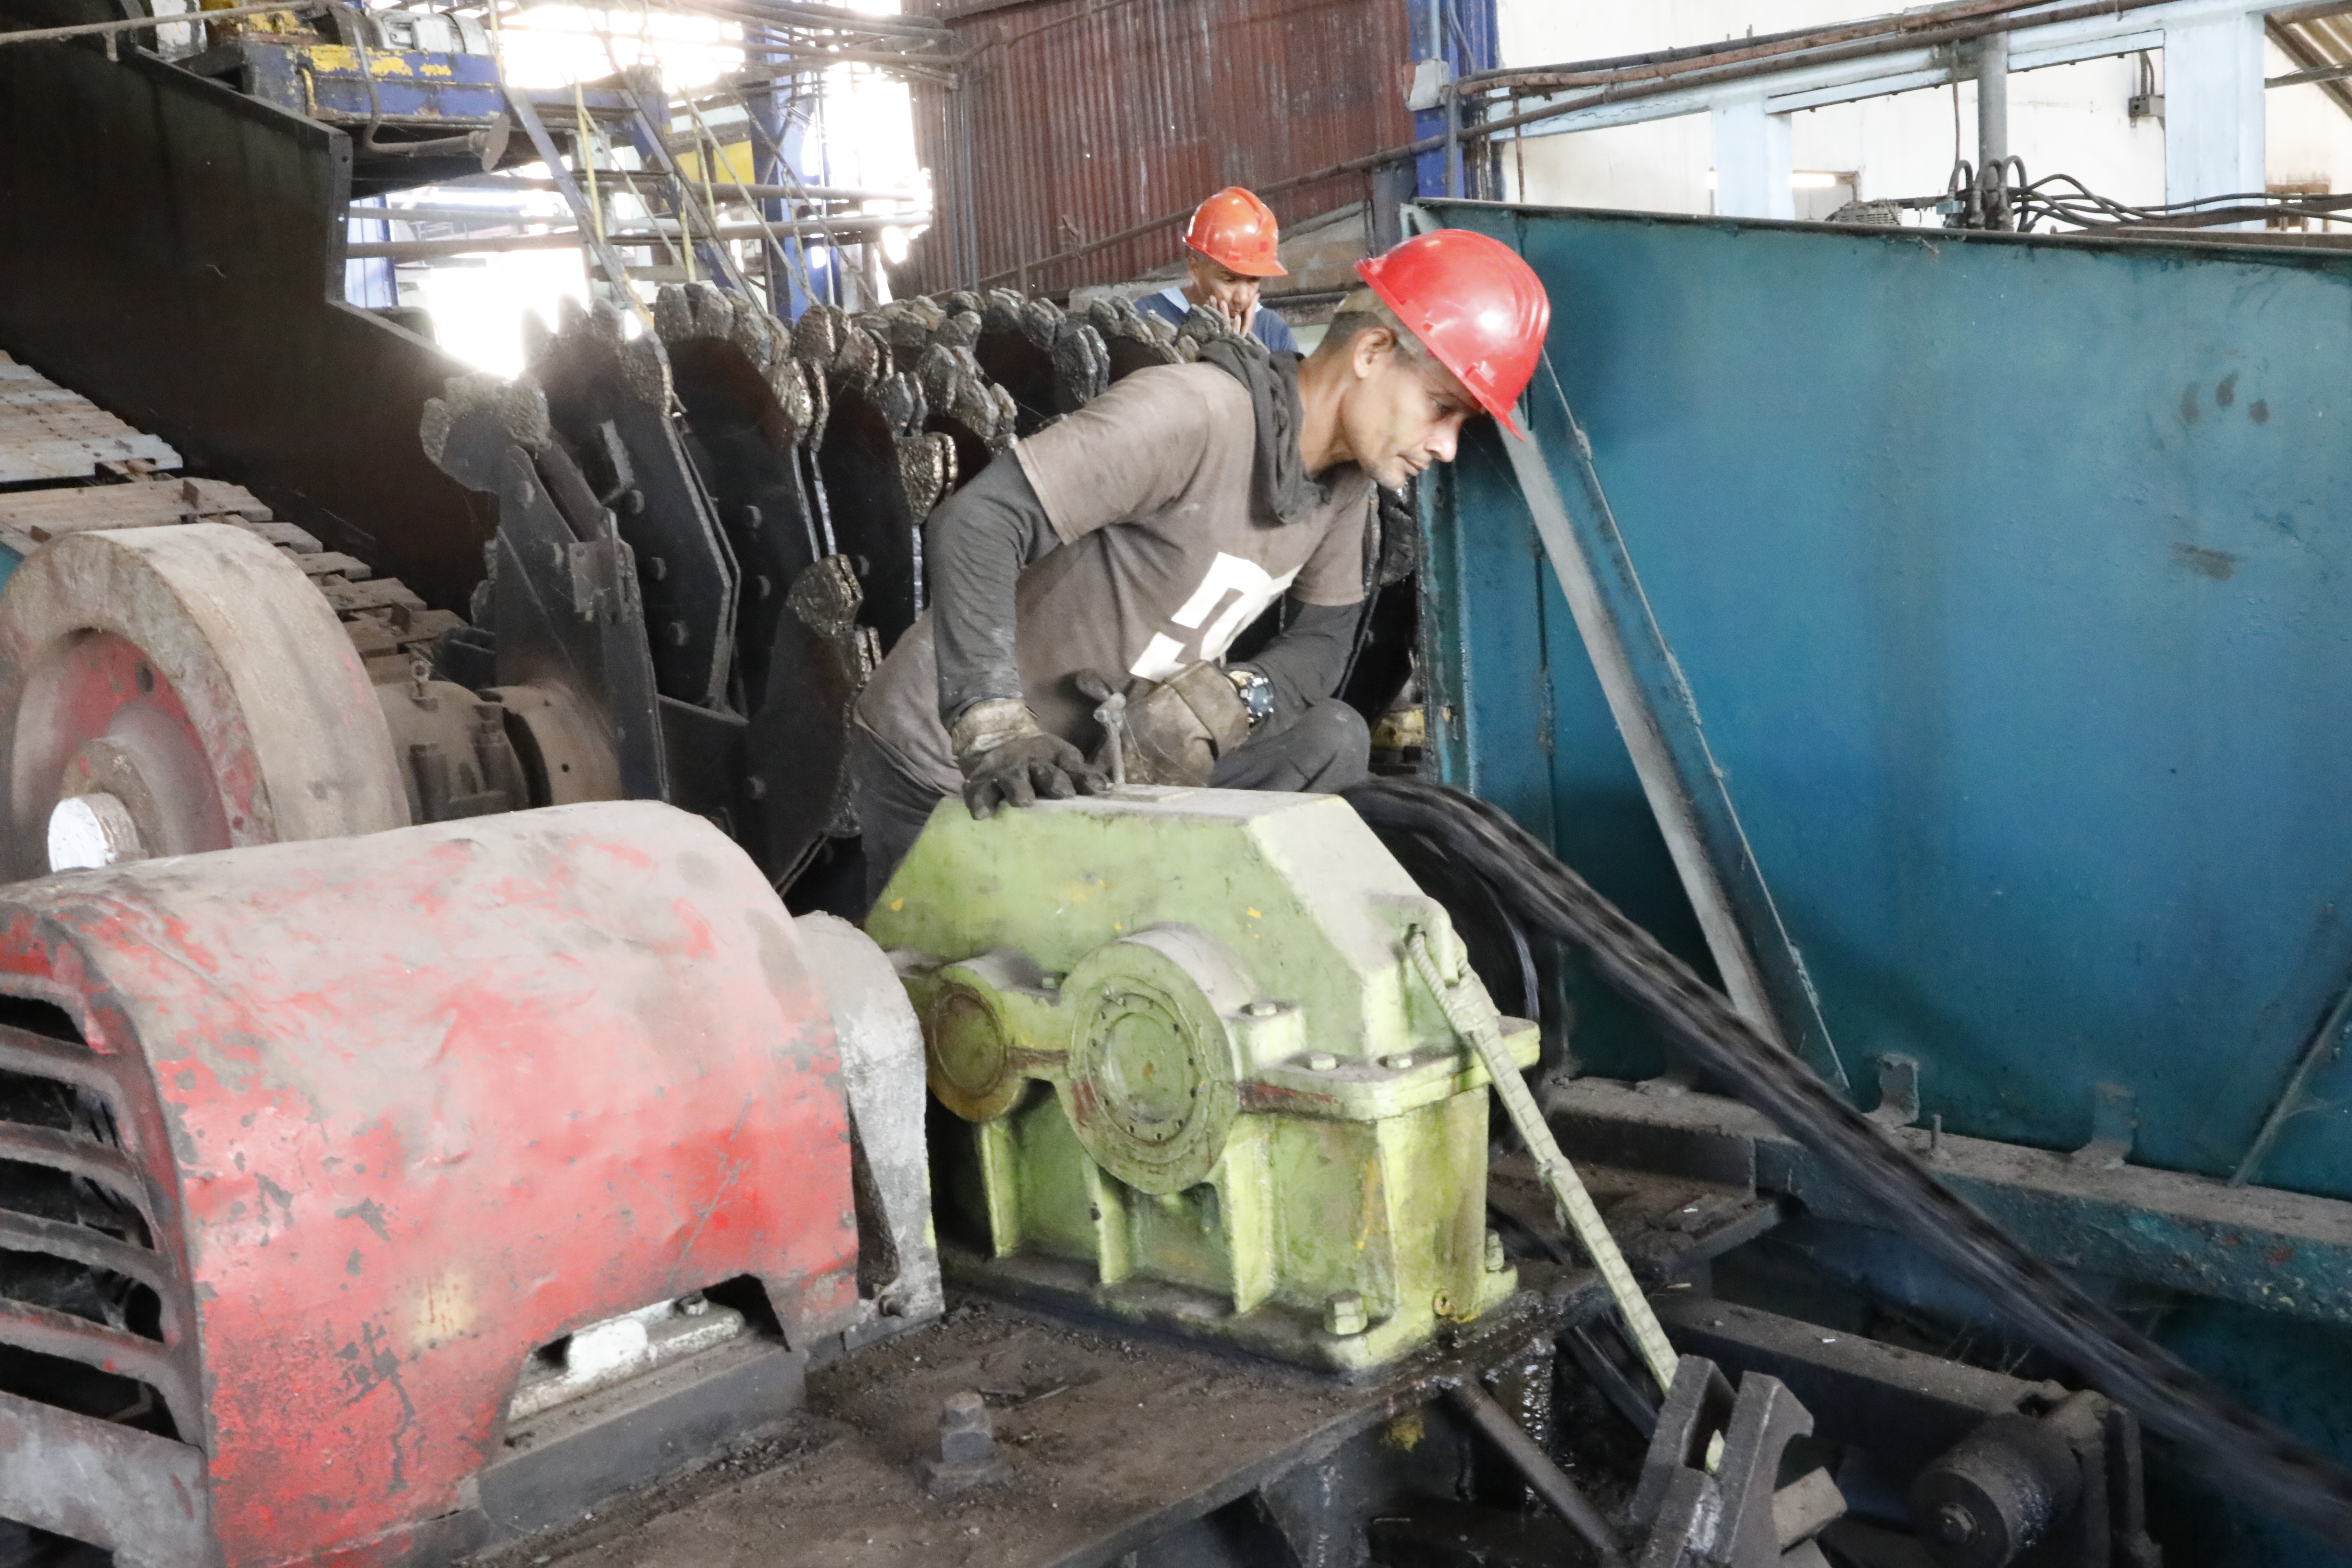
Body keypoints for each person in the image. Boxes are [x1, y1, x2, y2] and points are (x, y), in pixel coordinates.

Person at [848, 228, 1551, 904]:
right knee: (960, 993)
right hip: (942, 760)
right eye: (1441, 409)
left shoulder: (1344, 488)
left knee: (1332, 736)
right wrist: (993, 722)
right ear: (1372, 351)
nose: (1449, 446)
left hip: (1094, 772)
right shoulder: (1194, 415)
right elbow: (978, 521)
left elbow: (1323, 644)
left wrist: (1232, 698)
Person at [1133, 187, 1300, 353]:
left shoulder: (1273, 331)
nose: (1242, 299)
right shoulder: (1147, 317)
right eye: (1229, 280)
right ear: (1195, 270)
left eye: (1253, 280)